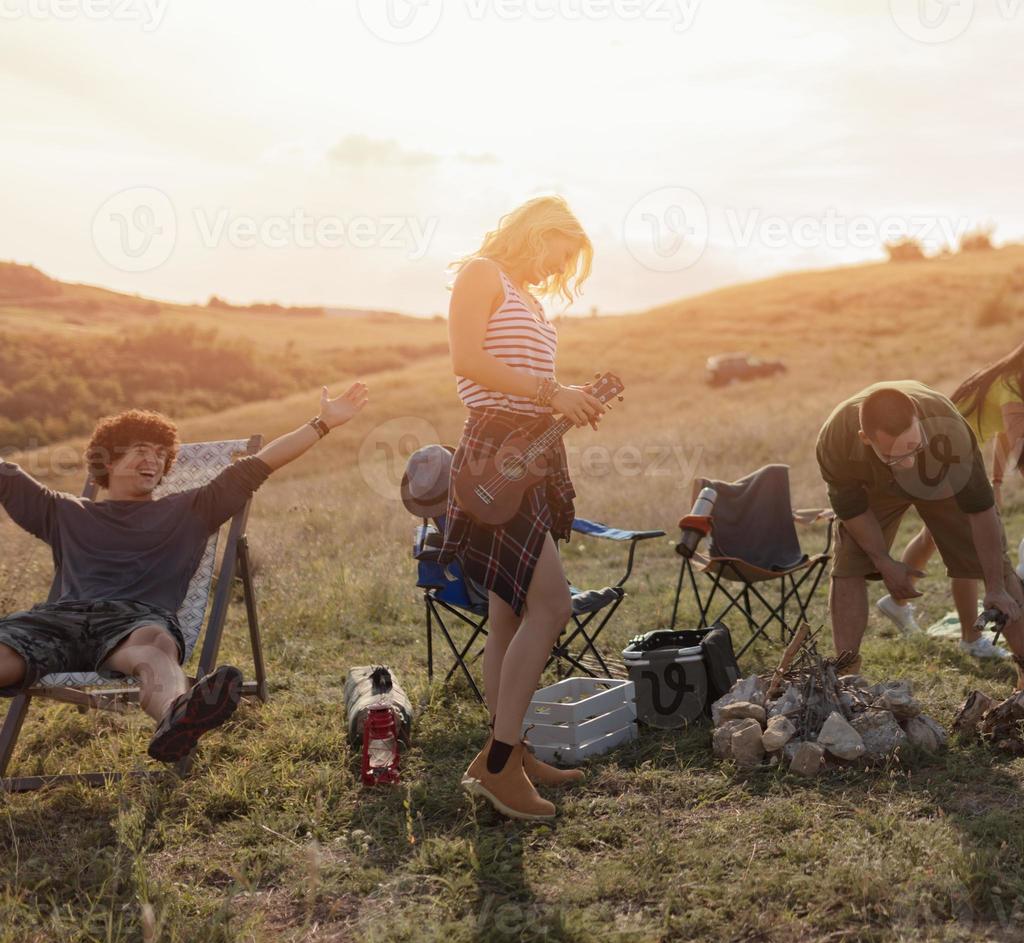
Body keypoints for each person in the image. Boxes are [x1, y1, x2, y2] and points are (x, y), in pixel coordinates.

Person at [0, 385, 369, 762]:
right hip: (56, 624)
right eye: (141, 450)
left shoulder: (190, 509)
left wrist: (323, 423)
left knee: (155, 647)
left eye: (161, 454)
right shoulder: (64, 512)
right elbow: (6, 475)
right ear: (107, 460)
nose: (153, 461)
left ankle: (177, 715)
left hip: (134, 623)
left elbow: (259, 465)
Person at [445, 196, 607, 822]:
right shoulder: (481, 273)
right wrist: (551, 391)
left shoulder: (526, 297)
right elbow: (468, 362)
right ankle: (497, 764)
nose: (555, 272)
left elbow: (531, 382)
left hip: (528, 455)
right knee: (553, 605)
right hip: (493, 455)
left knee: (509, 612)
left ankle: (512, 753)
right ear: (538, 234)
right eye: (559, 256)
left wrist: (568, 403)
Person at [877, 313, 1024, 659]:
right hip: (938, 459)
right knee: (969, 545)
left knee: (936, 534)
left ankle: (897, 601)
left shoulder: (1016, 383)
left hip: (942, 459)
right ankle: (971, 639)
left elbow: (1000, 435)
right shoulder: (1013, 386)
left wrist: (997, 479)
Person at [815, 380, 1024, 678]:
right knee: (848, 563)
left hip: (939, 472)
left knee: (998, 564)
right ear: (865, 438)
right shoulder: (835, 439)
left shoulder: (950, 430)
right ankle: (846, 676)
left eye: (912, 448)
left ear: (919, 418)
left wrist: (994, 586)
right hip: (873, 484)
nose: (906, 463)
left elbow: (980, 510)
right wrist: (882, 560)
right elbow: (853, 510)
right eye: (894, 455)